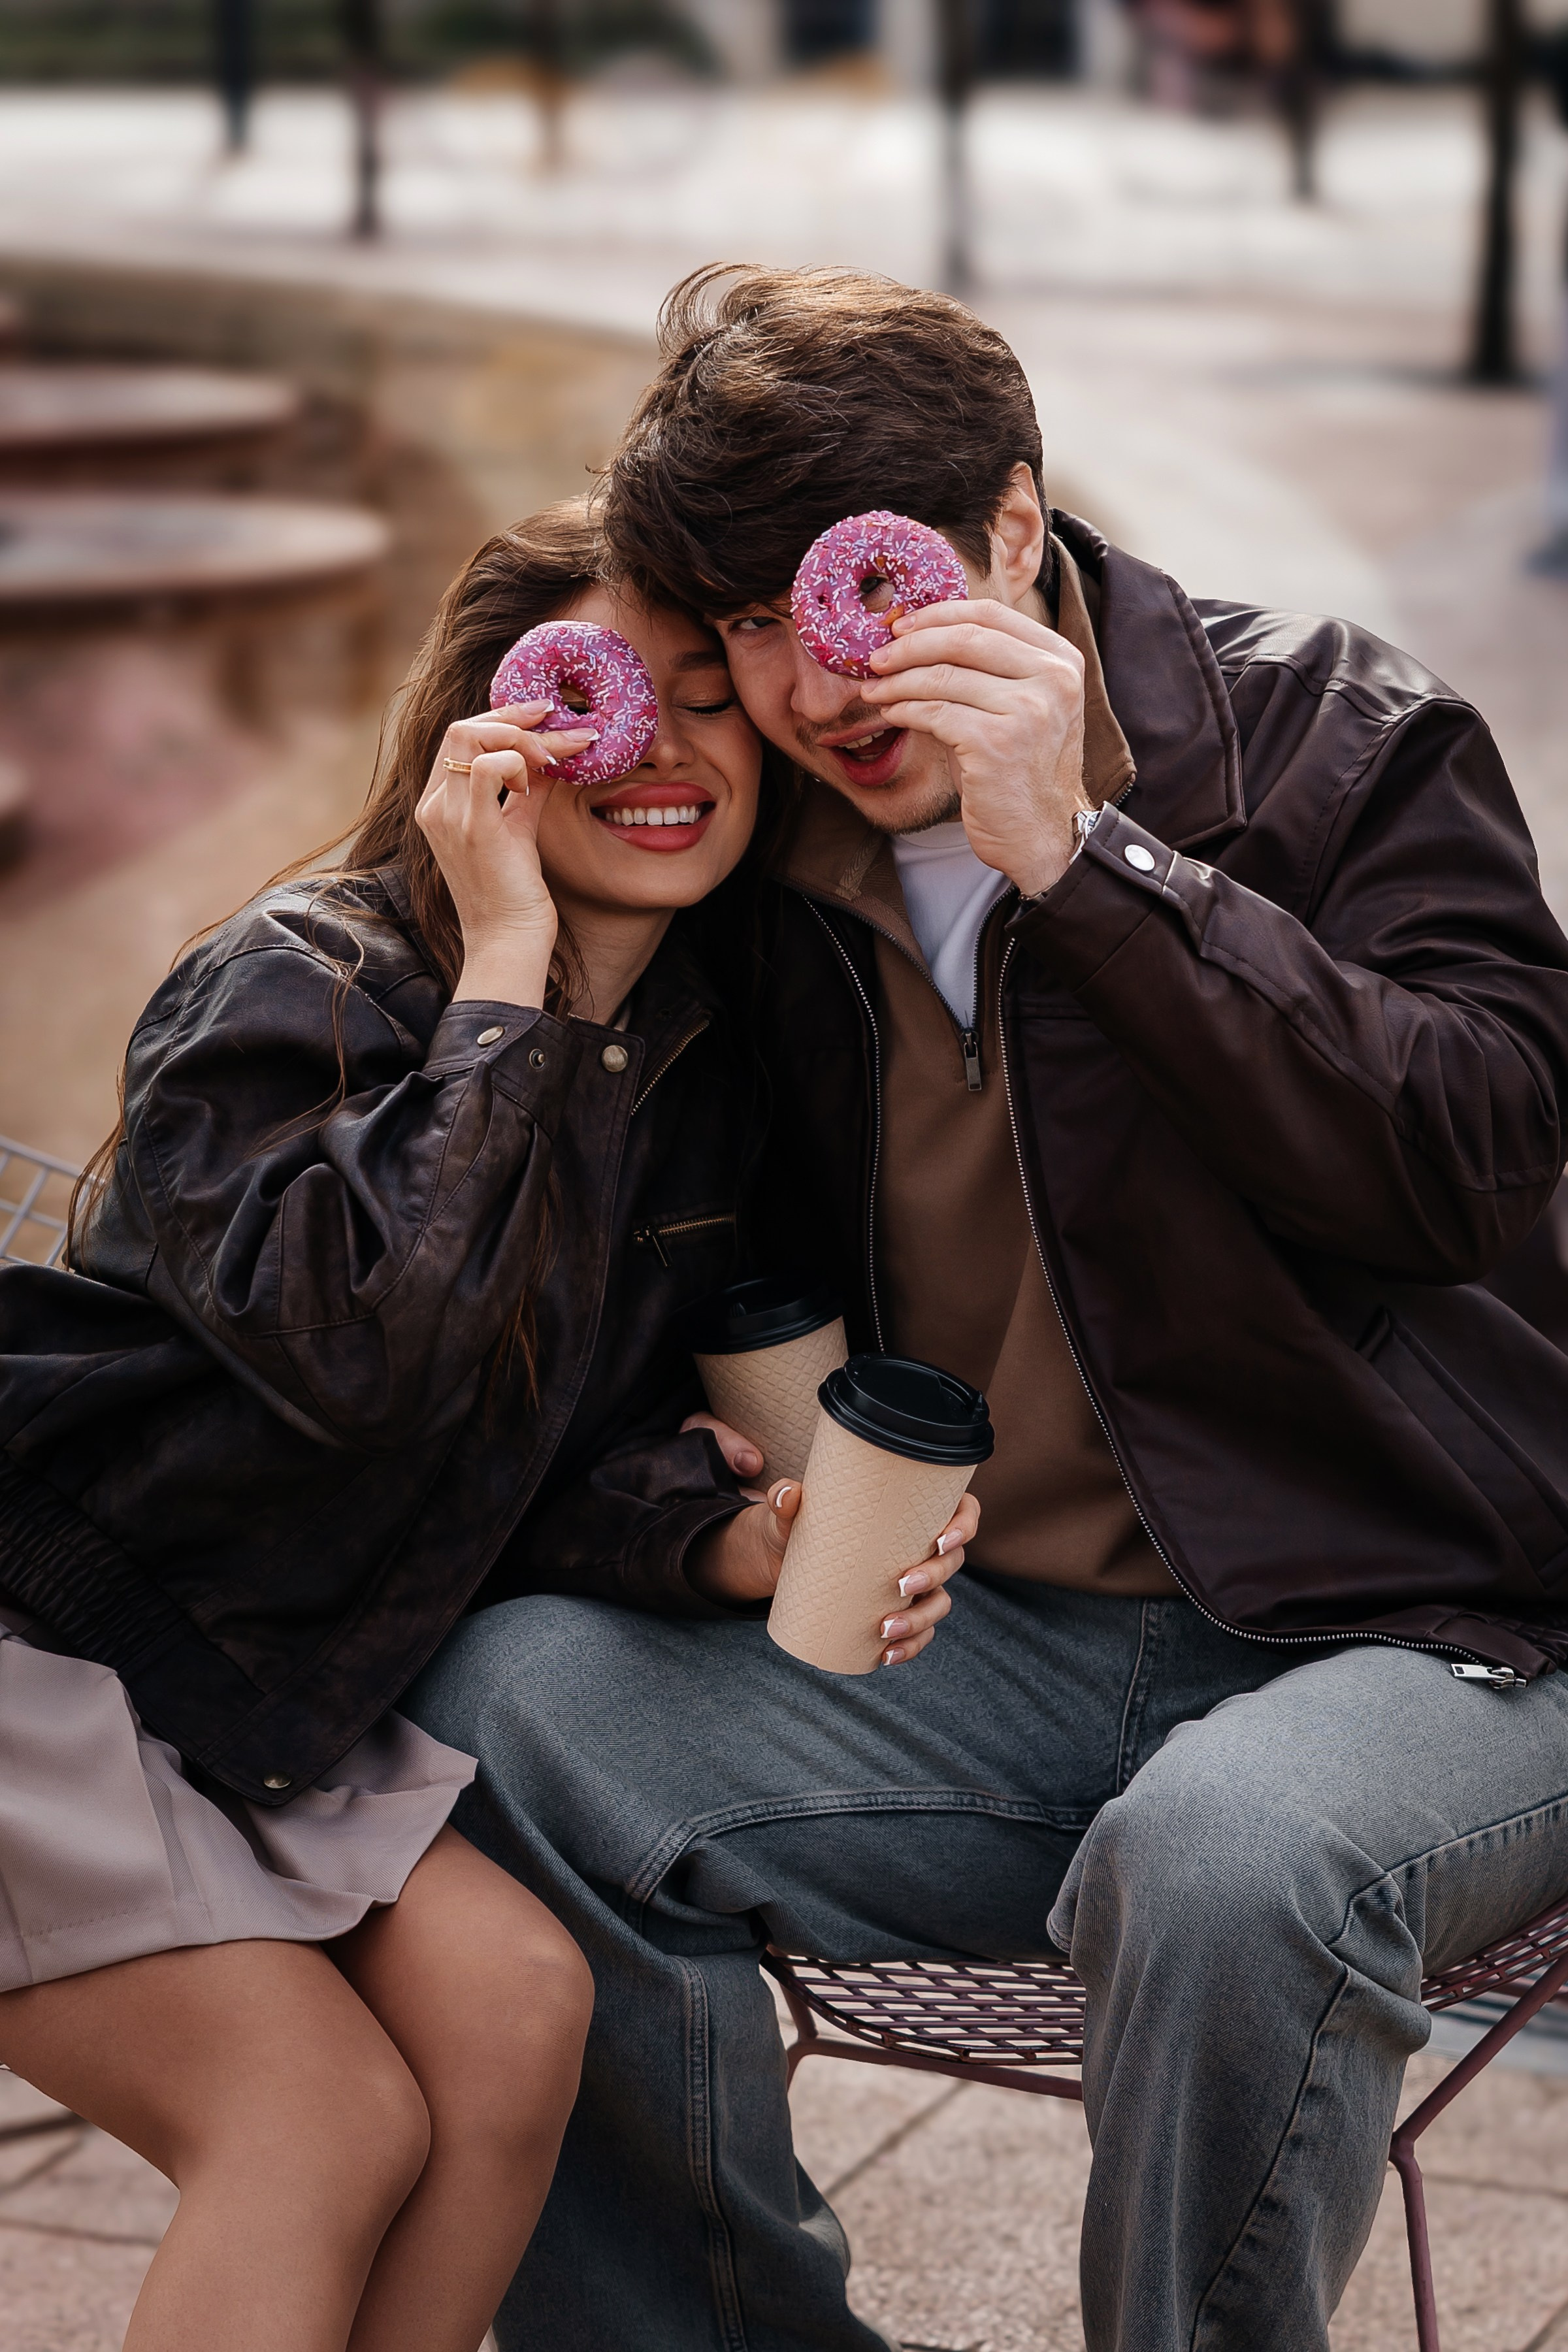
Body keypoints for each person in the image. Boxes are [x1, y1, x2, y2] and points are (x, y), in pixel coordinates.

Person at [408, 273, 1568, 2352]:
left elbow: (1477, 1159)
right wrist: (697, 1515)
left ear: (1017, 527)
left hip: (1443, 1622)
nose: (812, 686)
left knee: (1230, 1856)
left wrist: (1098, 871)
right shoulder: (758, 867)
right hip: (1005, 1657)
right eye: (745, 626)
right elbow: (620, 1285)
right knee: (499, 1718)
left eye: (855, 596)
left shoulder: (1334, 737)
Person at [0, 501, 901, 2352]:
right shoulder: (296, 989)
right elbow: (367, 1361)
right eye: (596, 700)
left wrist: (710, 1535)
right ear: (477, 741)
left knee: (509, 2016)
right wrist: (505, 978)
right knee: (318, 2124)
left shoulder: (699, 1074)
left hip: (257, 1680)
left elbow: (525, 1451)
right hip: (53, 1628)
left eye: (703, 700)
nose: (658, 752)